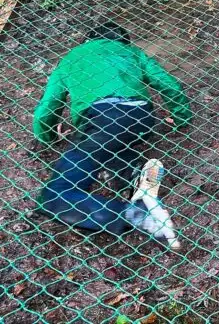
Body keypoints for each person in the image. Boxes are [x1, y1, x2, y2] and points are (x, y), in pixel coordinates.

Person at [32, 21, 192, 248]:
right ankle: (136, 175)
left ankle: (137, 215)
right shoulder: (131, 51)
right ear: (121, 40)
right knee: (111, 148)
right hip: (141, 118)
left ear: (88, 40)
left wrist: (47, 135)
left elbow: (48, 105)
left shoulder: (73, 57)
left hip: (101, 118)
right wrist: (181, 117)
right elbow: (168, 84)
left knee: (54, 196)